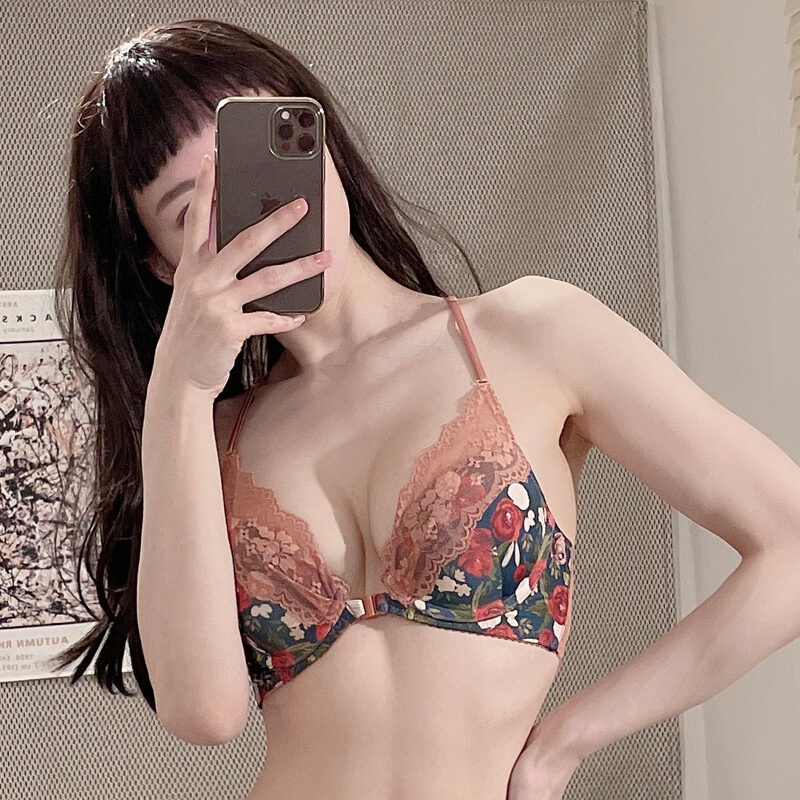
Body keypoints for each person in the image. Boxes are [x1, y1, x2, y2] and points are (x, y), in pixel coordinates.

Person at [50, 17, 800, 800]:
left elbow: (789, 541)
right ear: (161, 264)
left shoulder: (534, 333)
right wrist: (179, 386)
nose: (254, 213)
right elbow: (203, 712)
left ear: (318, 140)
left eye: (253, 165)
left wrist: (568, 739)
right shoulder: (207, 437)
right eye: (192, 211)